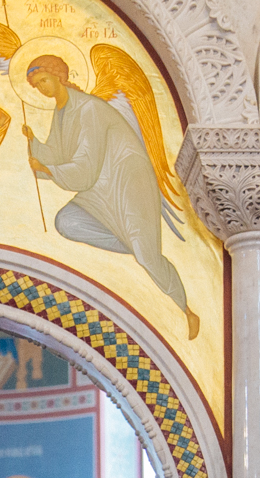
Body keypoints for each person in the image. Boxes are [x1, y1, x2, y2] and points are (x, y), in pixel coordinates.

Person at [22, 54, 198, 340]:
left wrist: (48, 169)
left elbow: (86, 166)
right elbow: (58, 152)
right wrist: (34, 144)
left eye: (44, 80)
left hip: (126, 181)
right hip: (99, 189)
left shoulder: (89, 108)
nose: (42, 88)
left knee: (147, 255)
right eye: (37, 85)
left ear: (59, 75)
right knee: (66, 221)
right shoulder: (62, 111)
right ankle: (136, 244)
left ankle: (186, 309)